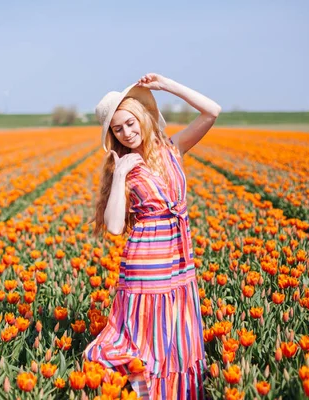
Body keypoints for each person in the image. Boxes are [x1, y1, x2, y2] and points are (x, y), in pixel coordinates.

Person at [84, 73, 221, 399]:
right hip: (147, 263)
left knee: (176, 331)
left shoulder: (173, 149)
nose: (127, 132)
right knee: (150, 336)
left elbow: (212, 111)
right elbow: (115, 226)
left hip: (179, 260)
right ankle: (145, 393)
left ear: (142, 117)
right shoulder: (124, 166)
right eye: (118, 129)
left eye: (130, 123)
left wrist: (166, 85)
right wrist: (118, 176)